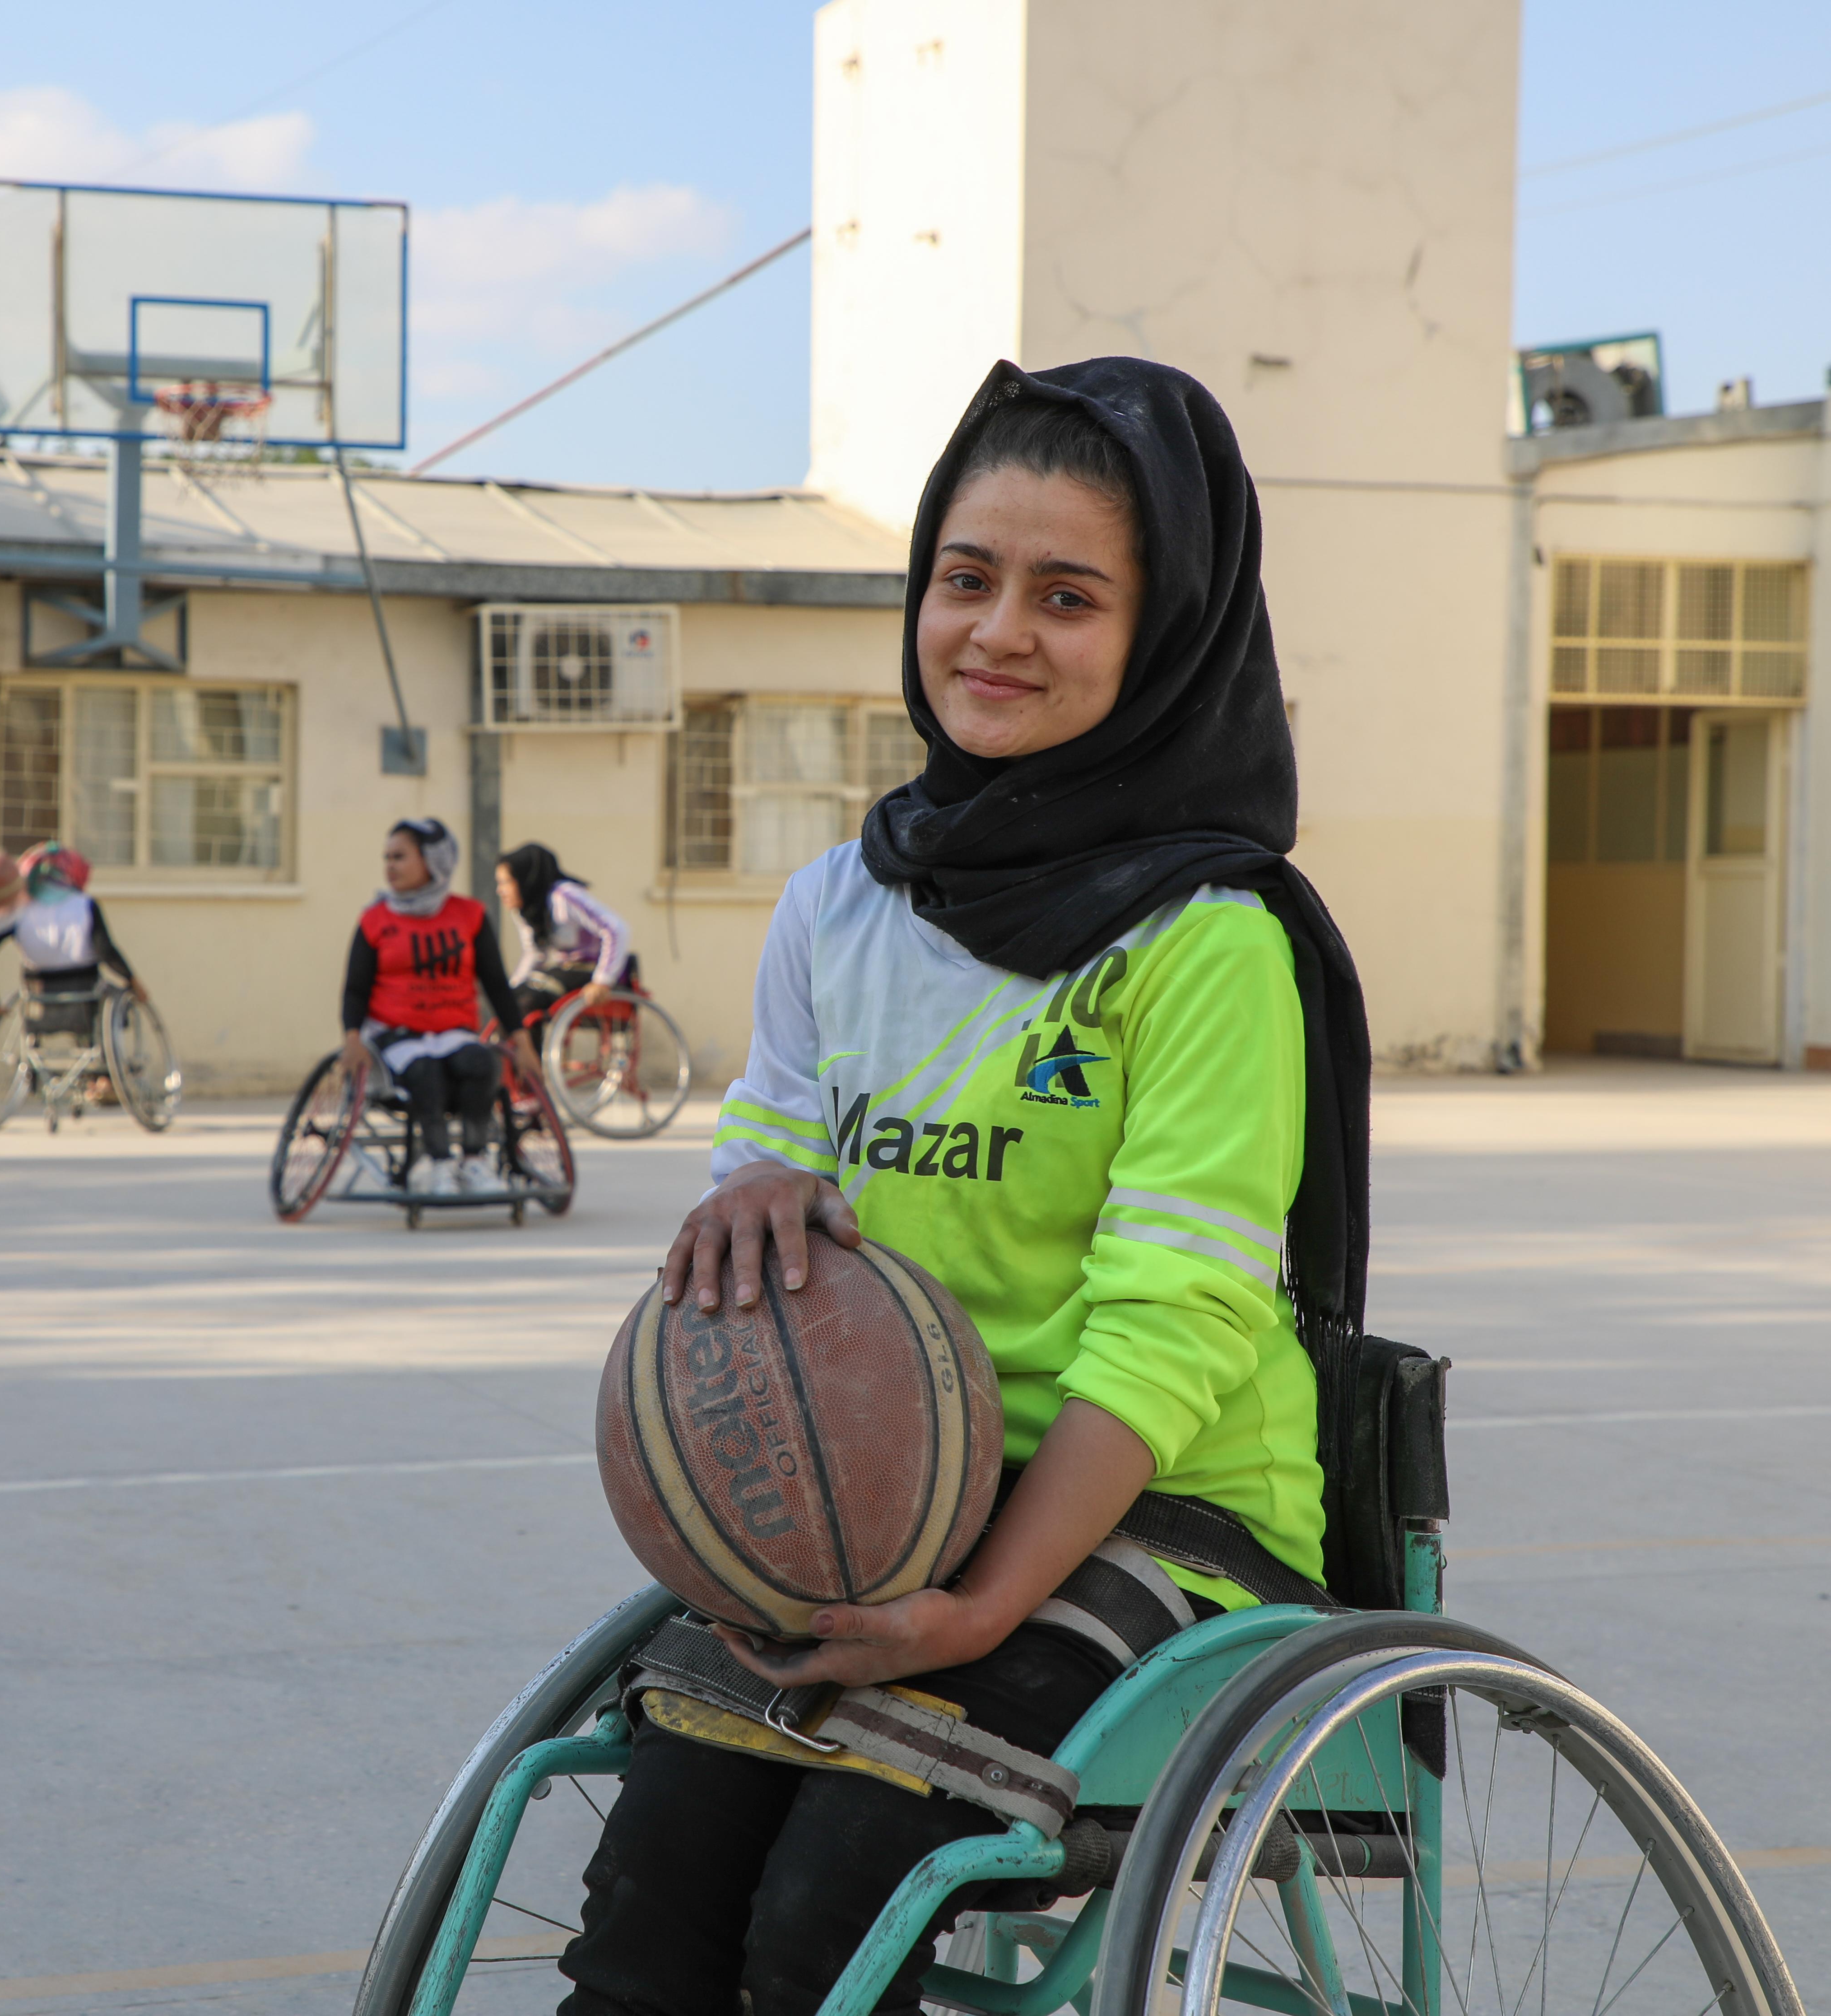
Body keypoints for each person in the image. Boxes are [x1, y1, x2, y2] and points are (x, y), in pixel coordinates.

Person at [557, 358, 1371, 2015]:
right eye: (964, 575)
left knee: (823, 1924)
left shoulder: (1208, 941)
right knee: (651, 1901)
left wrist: (987, 1595)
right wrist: (747, 1205)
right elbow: (772, 1142)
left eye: (1066, 596)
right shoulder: (841, 904)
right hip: (888, 1488)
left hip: (1153, 1509)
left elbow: (1176, 1311)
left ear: (1165, 637)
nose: (997, 629)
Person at [339, 818, 539, 1197]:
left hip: (453, 1032)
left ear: (433, 860)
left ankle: (475, 1162)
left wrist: (521, 1041)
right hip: (395, 1035)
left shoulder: (470, 915)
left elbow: (496, 985)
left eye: (400, 857)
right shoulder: (375, 919)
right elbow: (355, 990)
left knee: (482, 1064)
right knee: (425, 1072)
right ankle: (440, 1165)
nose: (390, 866)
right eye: (387, 858)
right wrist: (352, 1038)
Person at [0, 846, 148, 1063]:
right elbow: (105, 951)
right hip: (85, 988)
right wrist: (132, 979)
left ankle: (35, 1067)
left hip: (38, 991)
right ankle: (103, 1079)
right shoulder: (84, 905)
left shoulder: (15, 910)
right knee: (108, 1009)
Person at [495, 843, 632, 1035]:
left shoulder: (566, 897)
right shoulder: (528, 910)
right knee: (510, 1002)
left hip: (592, 970)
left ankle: (532, 1064)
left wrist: (602, 981)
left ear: (527, 879)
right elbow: (535, 954)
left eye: (506, 882)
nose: (500, 891)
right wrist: (514, 987)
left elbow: (616, 929)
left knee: (530, 1003)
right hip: (564, 972)